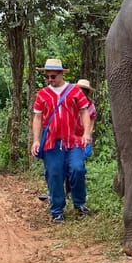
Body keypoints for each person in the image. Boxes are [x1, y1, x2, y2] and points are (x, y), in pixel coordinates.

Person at [31, 59, 93, 223]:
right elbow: (37, 118)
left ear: (61, 74)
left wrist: (86, 133)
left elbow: (84, 112)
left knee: (77, 169)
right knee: (55, 174)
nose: (49, 80)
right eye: (47, 77)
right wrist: (36, 140)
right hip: (52, 142)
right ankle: (57, 210)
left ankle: (79, 203)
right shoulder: (42, 94)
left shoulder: (74, 91)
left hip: (73, 140)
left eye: (52, 76)